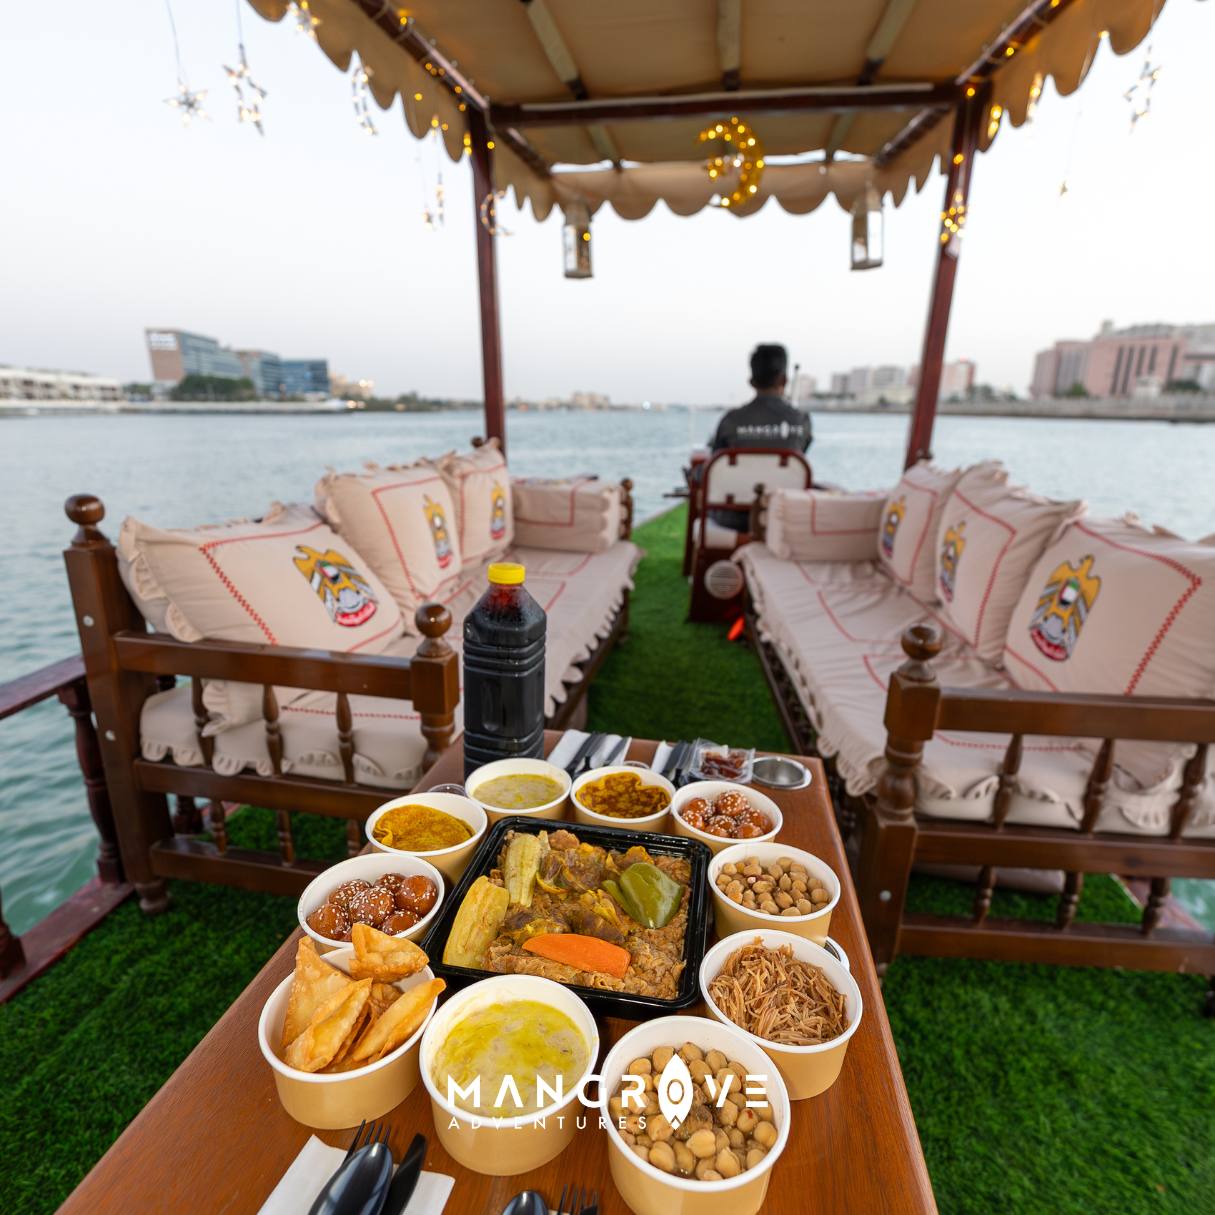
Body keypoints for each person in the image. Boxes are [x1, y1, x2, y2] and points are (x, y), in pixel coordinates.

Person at [705, 343, 812, 531]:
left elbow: (715, 461)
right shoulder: (802, 421)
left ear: (751, 382)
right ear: (784, 380)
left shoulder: (731, 420)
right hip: (782, 516)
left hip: (731, 518)